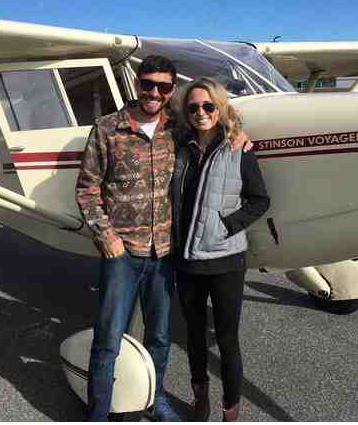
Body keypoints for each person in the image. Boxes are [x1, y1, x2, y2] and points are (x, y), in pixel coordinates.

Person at [75, 55, 181, 422]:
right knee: (108, 338)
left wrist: (240, 137)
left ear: (171, 90)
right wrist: (106, 237)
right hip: (122, 252)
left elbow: (216, 130)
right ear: (136, 84)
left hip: (164, 252)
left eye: (163, 86)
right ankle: (99, 412)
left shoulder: (176, 129)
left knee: (161, 337)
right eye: (148, 84)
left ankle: (156, 399)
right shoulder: (107, 129)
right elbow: (87, 190)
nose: (154, 92)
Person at [171, 77, 270, 422]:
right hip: (186, 261)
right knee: (194, 336)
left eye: (208, 106)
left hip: (226, 261)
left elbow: (259, 201)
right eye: (194, 107)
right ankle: (200, 398)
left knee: (227, 341)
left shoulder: (238, 149)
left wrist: (226, 227)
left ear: (220, 108)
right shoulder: (177, 147)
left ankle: (231, 411)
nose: (201, 113)